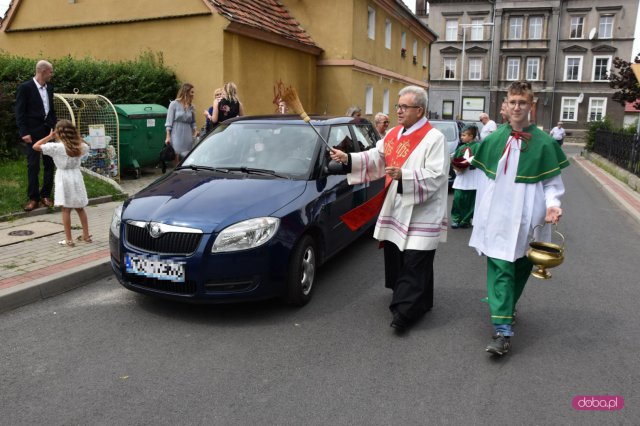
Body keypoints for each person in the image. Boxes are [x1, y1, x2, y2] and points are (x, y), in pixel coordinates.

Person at [330, 86, 449, 333]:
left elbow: (437, 176)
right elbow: (375, 157)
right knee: (399, 256)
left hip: (421, 211)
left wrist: (404, 175)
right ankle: (421, 300)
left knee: (416, 260)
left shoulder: (434, 138)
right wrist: (348, 158)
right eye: (398, 106)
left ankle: (404, 313)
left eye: (404, 107)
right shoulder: (394, 134)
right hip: (397, 206)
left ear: (420, 110)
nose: (398, 111)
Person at [469, 81, 569, 356]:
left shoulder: (545, 142)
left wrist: (552, 206)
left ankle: (508, 306)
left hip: (529, 216)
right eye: (512, 101)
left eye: (522, 102)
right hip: (498, 215)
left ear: (531, 105)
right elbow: (480, 178)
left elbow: (552, 184)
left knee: (522, 267)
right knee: (501, 266)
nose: (516, 107)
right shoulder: (492, 138)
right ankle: (502, 331)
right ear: (506, 104)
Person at [32, 120, 91, 247]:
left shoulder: (56, 147)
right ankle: (86, 235)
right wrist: (76, 137)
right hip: (76, 176)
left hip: (63, 177)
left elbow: (35, 146)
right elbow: (88, 145)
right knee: (80, 207)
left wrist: (49, 136)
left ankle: (69, 240)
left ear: (58, 132)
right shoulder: (80, 146)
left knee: (66, 209)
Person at [15, 59, 57, 211]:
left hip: (48, 132)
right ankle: (33, 198)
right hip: (32, 133)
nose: (52, 75)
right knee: (33, 165)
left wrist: (55, 127)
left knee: (49, 164)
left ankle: (46, 195)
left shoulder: (50, 88)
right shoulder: (25, 88)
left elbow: (51, 110)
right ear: (43, 71)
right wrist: (23, 132)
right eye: (50, 72)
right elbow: (20, 112)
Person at [450, 124, 479, 229]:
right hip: (461, 178)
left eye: (464, 135)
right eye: (461, 135)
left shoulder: (478, 147)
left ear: (471, 136)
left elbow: (480, 160)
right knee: (458, 199)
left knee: (471, 202)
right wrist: (457, 167)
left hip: (472, 178)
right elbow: (455, 160)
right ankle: (456, 219)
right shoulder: (461, 148)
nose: (461, 137)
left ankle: (465, 220)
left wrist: (470, 162)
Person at [165, 83, 198, 164]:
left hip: (187, 133)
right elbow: (169, 121)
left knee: (187, 154)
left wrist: (196, 130)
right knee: (176, 153)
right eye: (192, 92)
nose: (193, 94)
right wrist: (168, 136)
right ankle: (176, 172)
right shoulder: (174, 104)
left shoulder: (191, 106)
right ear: (186, 92)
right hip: (176, 132)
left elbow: (193, 122)